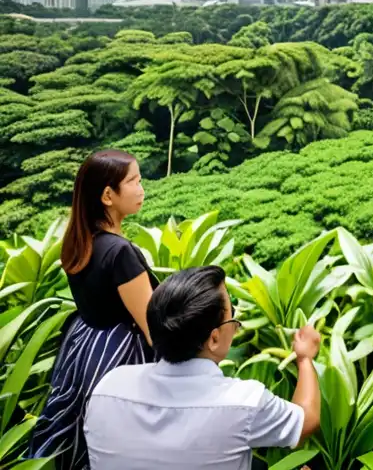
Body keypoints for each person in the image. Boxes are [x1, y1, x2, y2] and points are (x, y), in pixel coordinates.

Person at [83, 265, 321, 469]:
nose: (236, 324)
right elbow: (306, 421)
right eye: (232, 313)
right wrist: (304, 358)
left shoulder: (108, 387)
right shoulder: (242, 403)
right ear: (214, 339)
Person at [28, 150, 157, 469]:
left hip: (85, 351)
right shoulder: (120, 253)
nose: (142, 189)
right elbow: (153, 327)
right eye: (133, 181)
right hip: (121, 356)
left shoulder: (80, 240)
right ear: (107, 195)